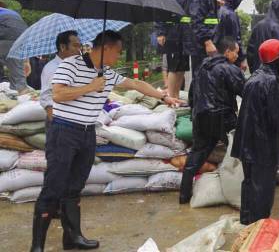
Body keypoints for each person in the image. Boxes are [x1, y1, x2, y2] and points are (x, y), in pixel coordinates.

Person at [30, 30, 182, 252]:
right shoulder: (70, 64)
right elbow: (58, 94)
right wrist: (92, 86)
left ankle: (72, 237)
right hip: (63, 131)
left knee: (75, 187)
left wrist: (164, 97)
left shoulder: (107, 73)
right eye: (118, 52)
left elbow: (135, 84)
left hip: (86, 132)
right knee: (54, 186)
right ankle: (37, 246)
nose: (119, 56)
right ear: (106, 48)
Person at [232, 39, 279, 225]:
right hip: (261, 148)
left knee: (249, 189)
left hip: (247, 146)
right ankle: (258, 232)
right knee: (262, 195)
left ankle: (247, 229)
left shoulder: (254, 77)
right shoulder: (270, 81)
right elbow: (278, 115)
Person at [179, 37, 245, 204]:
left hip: (201, 117)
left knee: (197, 155)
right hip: (224, 117)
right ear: (227, 51)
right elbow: (245, 92)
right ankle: (245, 191)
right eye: (236, 52)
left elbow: (192, 93)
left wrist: (193, 113)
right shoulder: (230, 69)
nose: (237, 56)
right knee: (242, 149)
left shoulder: (201, 67)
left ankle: (184, 195)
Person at [155, 0, 195, 98]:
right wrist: (160, 32)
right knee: (173, 68)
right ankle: (171, 97)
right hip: (172, 34)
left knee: (181, 68)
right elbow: (161, 12)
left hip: (184, 35)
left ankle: (176, 96)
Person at [188, 0, 226, 76]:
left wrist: (215, 3)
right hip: (202, 47)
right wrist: (207, 42)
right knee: (201, 79)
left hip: (210, 44)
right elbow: (196, 21)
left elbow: (208, 18)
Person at [39, 31, 82, 123]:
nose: (79, 50)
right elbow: (47, 98)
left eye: (79, 46)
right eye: (75, 46)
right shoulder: (53, 68)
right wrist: (57, 124)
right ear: (62, 47)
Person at [246, 0, 279, 73]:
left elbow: (250, 52)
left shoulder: (258, 26)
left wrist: (253, 70)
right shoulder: (277, 28)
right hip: (274, 74)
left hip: (257, 73)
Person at [214, 0, 248, 71]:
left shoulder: (219, 11)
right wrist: (242, 59)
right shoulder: (230, 14)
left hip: (218, 54)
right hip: (230, 55)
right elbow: (236, 38)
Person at [0, 3, 31, 93]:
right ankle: (21, 97)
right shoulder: (12, 13)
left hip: (5, 36)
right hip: (22, 38)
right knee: (18, 78)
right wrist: (26, 61)